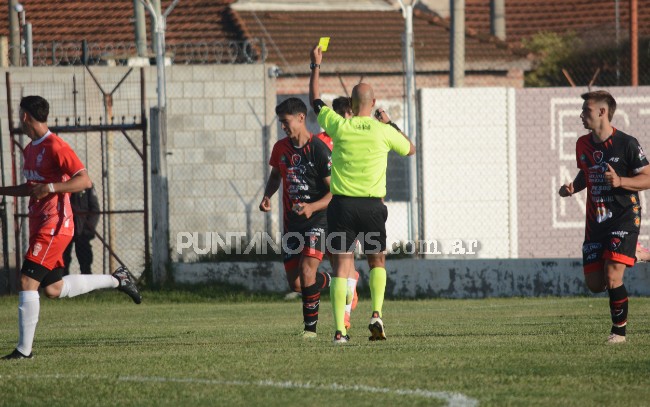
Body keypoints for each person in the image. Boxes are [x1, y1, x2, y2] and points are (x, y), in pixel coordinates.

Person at [0, 96, 141, 360]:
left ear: (24, 116)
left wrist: (52, 187)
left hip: (55, 224)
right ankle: (117, 279)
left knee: (26, 281)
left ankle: (23, 351)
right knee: (52, 289)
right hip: (39, 223)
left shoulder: (56, 145)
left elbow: (84, 181)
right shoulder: (30, 149)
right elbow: (31, 189)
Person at [309, 45, 416, 343]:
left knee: (342, 266)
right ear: (374, 103)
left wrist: (315, 66)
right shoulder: (383, 131)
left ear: (351, 104)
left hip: (342, 206)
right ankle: (377, 314)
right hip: (372, 206)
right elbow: (411, 149)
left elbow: (315, 101)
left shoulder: (340, 126)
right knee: (377, 261)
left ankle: (340, 331)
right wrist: (389, 122)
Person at [559, 90, 650, 344]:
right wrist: (572, 188)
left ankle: (618, 333)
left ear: (602, 112)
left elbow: (648, 177)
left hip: (623, 217)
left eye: (586, 110)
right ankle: (634, 252)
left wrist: (620, 180)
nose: (581, 115)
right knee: (596, 284)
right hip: (596, 222)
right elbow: (585, 174)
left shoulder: (627, 143)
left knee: (613, 277)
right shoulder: (582, 144)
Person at [259, 97, 333, 338]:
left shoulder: (319, 150)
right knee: (297, 284)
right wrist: (267, 195)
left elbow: (336, 192)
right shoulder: (281, 148)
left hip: (317, 221)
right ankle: (332, 281)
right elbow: (275, 176)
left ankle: (310, 330)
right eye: (280, 122)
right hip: (292, 225)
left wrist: (312, 207)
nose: (283, 127)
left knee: (307, 271)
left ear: (301, 118)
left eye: (286, 121)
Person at [316, 96, 359, 330]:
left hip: (347, 206)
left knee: (344, 259)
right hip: (326, 206)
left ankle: (344, 315)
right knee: (336, 259)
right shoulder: (321, 142)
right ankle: (351, 287)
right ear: (346, 115)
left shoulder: (354, 137)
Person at [63, 185, 100, 275]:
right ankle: (63, 282)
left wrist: (88, 229)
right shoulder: (63, 185)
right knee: (63, 257)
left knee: (84, 258)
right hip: (65, 227)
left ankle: (87, 282)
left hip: (82, 228)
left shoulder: (87, 185)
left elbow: (94, 209)